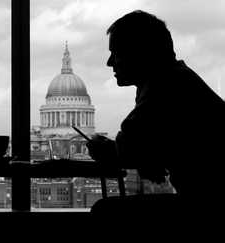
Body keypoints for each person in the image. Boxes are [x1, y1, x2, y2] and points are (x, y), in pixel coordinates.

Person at [87, 10, 225, 211]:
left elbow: (129, 147)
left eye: (116, 53)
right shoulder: (176, 78)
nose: (109, 62)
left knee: (106, 210)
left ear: (140, 53)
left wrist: (105, 149)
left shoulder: (165, 86)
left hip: (209, 203)